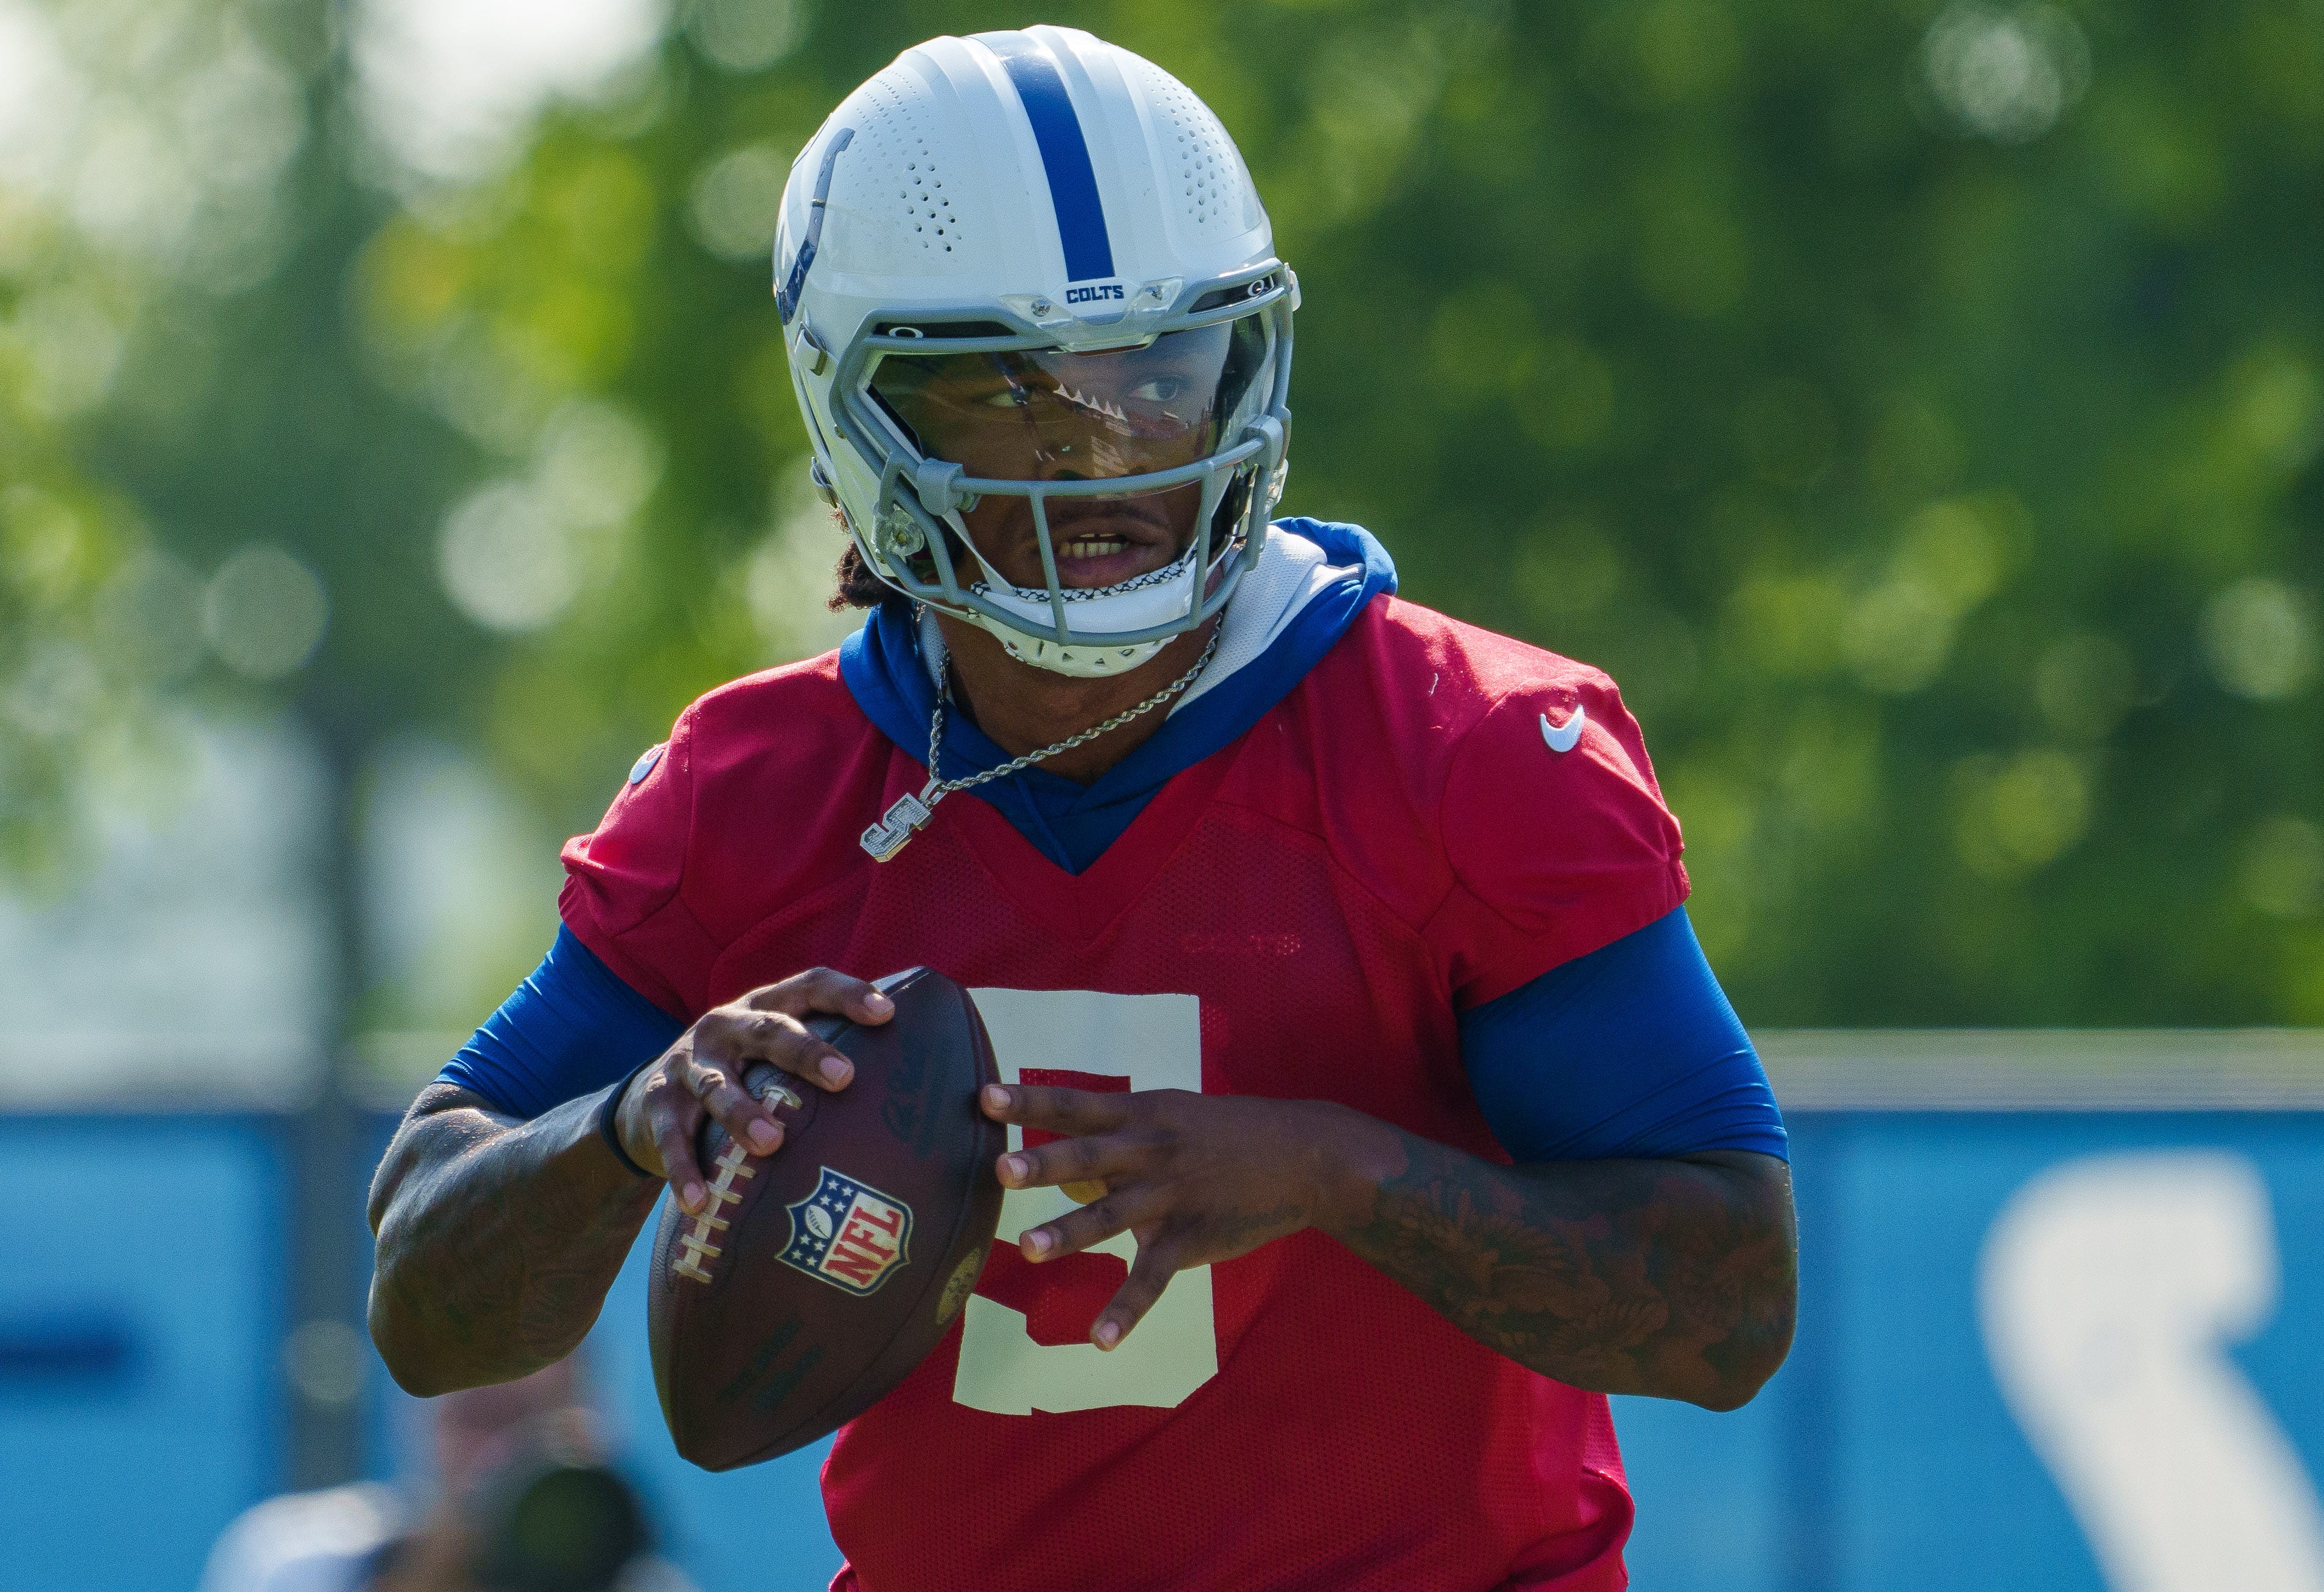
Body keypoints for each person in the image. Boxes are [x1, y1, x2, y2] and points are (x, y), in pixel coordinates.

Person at [367, 26, 1797, 1591]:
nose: (1103, 447)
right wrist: (625, 1125)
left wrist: (1335, 1169)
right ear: (858, 414)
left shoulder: (1463, 744)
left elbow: (1725, 1306)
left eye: (1158, 371)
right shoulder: (757, 791)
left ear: (1244, 364)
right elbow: (425, 1301)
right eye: (1005, 394)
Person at [198, 1359, 687, 1592]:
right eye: (478, 1418)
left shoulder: (641, 1585)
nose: (497, 1456)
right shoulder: (298, 1559)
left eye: (524, 1422)